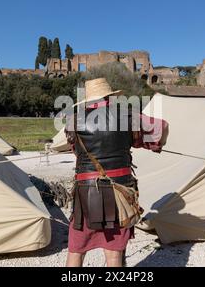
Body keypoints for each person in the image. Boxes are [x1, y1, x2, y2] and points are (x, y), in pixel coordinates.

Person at [65, 78, 169, 267]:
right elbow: (162, 129)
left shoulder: (73, 120)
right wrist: (146, 143)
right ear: (110, 96)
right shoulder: (128, 116)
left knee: (76, 251)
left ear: (87, 100)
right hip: (119, 193)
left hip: (85, 195)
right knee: (113, 256)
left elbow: (76, 152)